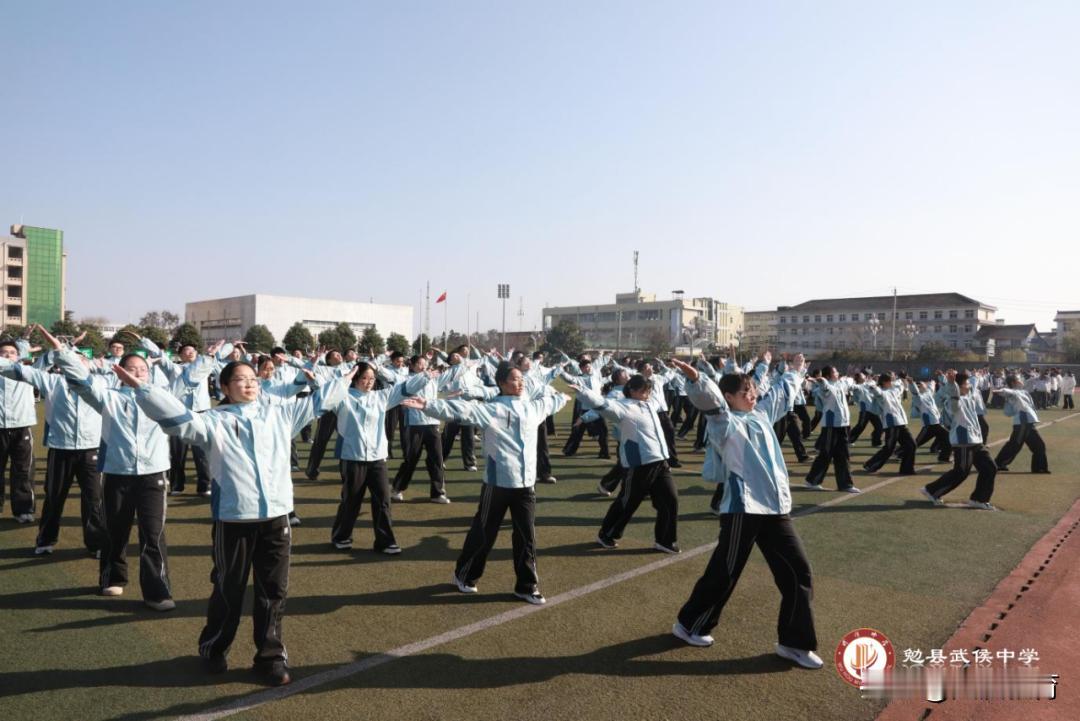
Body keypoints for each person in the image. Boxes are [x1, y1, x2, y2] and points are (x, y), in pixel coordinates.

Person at [128, 357, 337, 686]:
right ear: (224, 387)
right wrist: (145, 389)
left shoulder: (280, 414)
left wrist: (335, 375)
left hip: (277, 516)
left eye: (253, 378)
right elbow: (178, 420)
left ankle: (270, 657)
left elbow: (323, 400)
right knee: (229, 588)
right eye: (240, 379)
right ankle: (214, 648)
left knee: (274, 590)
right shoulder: (214, 420)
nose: (249, 383)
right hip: (234, 518)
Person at [669, 354, 822, 670]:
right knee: (725, 571)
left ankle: (794, 643)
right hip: (743, 508)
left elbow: (781, 392)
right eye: (745, 392)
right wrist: (697, 380)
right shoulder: (724, 423)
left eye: (753, 390)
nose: (752, 395)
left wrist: (795, 370)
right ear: (728, 397)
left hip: (776, 509)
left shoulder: (762, 414)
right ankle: (689, 624)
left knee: (799, 571)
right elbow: (711, 403)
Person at [401, 362, 568, 605]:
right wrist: (428, 405)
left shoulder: (532, 407)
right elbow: (460, 410)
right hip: (497, 484)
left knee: (526, 537)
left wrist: (562, 396)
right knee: (484, 533)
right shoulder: (492, 409)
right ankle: (465, 575)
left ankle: (526, 586)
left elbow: (552, 402)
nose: (520, 383)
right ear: (501, 383)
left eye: (521, 379)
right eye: (514, 379)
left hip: (526, 486)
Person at [54, 344, 175, 610]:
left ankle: (158, 592)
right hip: (117, 473)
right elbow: (83, 382)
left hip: (153, 473)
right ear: (120, 371)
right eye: (132, 368)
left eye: (143, 369)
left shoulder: (160, 398)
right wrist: (63, 354)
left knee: (153, 533)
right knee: (115, 530)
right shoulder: (108, 397)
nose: (138, 373)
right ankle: (113, 577)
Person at [0, 325, 107, 556]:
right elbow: (20, 371)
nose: (77, 364)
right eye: (71, 361)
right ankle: (46, 540)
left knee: (94, 499)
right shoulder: (53, 381)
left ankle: (97, 544)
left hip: (91, 450)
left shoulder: (101, 384)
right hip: (60, 449)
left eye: (81, 361)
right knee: (54, 497)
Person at [324, 361, 430, 553]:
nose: (369, 382)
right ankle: (341, 536)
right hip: (353, 457)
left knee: (383, 500)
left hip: (377, 458)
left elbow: (404, 388)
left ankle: (385, 541)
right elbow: (325, 393)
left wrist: (426, 376)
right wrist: (344, 380)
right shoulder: (343, 397)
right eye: (364, 378)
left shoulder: (381, 397)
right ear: (356, 378)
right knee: (351, 500)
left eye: (372, 378)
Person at [573, 373, 679, 553]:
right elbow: (601, 404)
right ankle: (606, 534)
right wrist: (582, 391)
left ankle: (665, 540)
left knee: (670, 499)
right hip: (638, 463)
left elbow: (659, 390)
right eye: (644, 390)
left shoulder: (650, 403)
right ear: (632, 390)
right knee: (628, 502)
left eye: (649, 390)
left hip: (660, 461)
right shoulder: (623, 407)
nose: (648, 393)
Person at [921, 371, 998, 509]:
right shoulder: (952, 401)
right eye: (967, 383)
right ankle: (932, 491)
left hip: (975, 440)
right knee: (961, 471)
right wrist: (952, 385)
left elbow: (973, 389)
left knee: (989, 467)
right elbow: (954, 406)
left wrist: (971, 377)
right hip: (963, 440)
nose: (969, 386)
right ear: (960, 387)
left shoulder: (968, 397)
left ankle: (979, 499)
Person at [391, 355, 450, 503]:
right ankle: (397, 489)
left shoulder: (434, 379)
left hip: (433, 423)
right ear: (412, 365)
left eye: (425, 363)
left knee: (437, 459)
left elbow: (451, 374)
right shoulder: (407, 380)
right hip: (415, 424)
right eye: (419, 364)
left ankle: (437, 493)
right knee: (411, 459)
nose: (423, 366)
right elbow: (399, 393)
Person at [804, 366, 859, 493]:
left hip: (843, 424)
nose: (838, 373)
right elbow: (824, 386)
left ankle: (845, 485)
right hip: (831, 425)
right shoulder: (824, 388)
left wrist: (851, 375)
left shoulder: (839, 384)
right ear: (828, 376)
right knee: (826, 453)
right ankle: (812, 481)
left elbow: (848, 382)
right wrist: (820, 380)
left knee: (843, 454)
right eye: (835, 372)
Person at [0, 337, 38, 523]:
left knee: (23, 470)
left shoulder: (28, 372)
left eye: (12, 353)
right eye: (4, 352)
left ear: (18, 356)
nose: (8, 355)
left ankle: (23, 509)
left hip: (22, 426)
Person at [993, 376, 1050, 473]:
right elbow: (1006, 392)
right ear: (1014, 382)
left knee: (1039, 445)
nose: (1021, 381)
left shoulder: (1023, 392)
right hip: (1023, 422)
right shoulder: (1013, 393)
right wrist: (998, 391)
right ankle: (998, 464)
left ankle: (1039, 468)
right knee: (1015, 444)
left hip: (1028, 423)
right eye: (1019, 379)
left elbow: (1010, 412)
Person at [861, 374, 916, 476]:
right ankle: (870, 465)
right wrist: (874, 387)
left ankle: (906, 469)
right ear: (884, 382)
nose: (892, 382)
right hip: (891, 423)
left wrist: (905, 381)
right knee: (889, 448)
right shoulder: (882, 393)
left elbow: (900, 386)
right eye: (890, 380)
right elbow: (878, 393)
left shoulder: (893, 390)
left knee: (911, 445)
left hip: (901, 422)